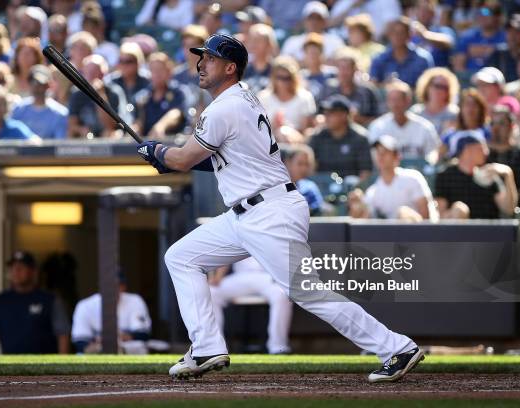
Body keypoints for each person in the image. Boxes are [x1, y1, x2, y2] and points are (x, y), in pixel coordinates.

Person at [136, 33, 424, 382]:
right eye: (202, 57)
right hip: (246, 213)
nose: (201, 63)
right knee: (182, 256)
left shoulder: (224, 107)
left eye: (210, 58)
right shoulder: (240, 101)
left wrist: (158, 152)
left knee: (308, 291)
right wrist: (171, 158)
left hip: (269, 212)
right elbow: (216, 160)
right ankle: (207, 346)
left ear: (230, 67)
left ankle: (396, 347)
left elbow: (183, 158)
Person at [0, 250, 71, 354]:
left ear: (33, 271)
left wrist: (63, 366)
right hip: (10, 367)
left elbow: (63, 334)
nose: (16, 271)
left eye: (21, 267)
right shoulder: (0, 301)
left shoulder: (50, 300)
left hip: (44, 367)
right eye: (13, 268)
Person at [209, 257, 293, 355]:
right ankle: (215, 349)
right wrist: (218, 277)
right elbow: (226, 256)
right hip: (241, 277)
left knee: (283, 293)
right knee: (210, 292)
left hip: (267, 276)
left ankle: (278, 347)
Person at [348, 135, 436, 222]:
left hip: (419, 233)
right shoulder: (373, 191)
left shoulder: (412, 178)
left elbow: (426, 215)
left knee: (403, 212)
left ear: (397, 156)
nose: (380, 156)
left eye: (385, 152)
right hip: (389, 234)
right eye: (378, 152)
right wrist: (358, 205)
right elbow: (364, 220)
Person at [435, 132, 518, 219]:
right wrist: (459, 213)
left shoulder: (488, 175)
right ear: (468, 150)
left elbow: (509, 209)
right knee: (459, 209)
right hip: (461, 231)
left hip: (488, 230)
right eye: (481, 148)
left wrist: (509, 175)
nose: (486, 152)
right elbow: (441, 215)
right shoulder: (445, 176)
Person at [72, 270, 152, 354]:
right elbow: (80, 341)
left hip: (127, 350)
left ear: (123, 287)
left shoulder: (135, 301)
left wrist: (116, 337)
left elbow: (143, 334)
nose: (112, 289)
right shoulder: (85, 305)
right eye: (108, 285)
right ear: (100, 286)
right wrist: (101, 342)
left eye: (117, 285)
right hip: (95, 349)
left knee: (137, 346)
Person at [368, 80, 440, 163]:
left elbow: (433, 154)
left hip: (418, 172)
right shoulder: (378, 127)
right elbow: (375, 158)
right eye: (392, 100)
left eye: (399, 100)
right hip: (389, 174)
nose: (395, 104)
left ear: (408, 101)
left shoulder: (424, 127)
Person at [308, 95, 372, 180]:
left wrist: (358, 189)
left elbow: (365, 171)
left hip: (350, 189)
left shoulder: (360, 138)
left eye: (331, 113)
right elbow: (310, 169)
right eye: (325, 113)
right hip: (322, 187)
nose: (326, 117)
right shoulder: (317, 137)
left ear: (344, 115)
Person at [488, 105, 520, 209]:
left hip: (518, 211)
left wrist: (514, 196)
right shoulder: (482, 154)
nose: (496, 128)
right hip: (487, 213)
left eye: (501, 123)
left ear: (511, 126)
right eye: (493, 123)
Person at [68, 54, 128, 138]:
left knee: (111, 133)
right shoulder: (77, 94)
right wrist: (82, 130)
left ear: (103, 74)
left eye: (94, 72)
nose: (90, 76)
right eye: (87, 72)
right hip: (85, 136)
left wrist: (100, 95)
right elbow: (72, 125)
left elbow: (110, 126)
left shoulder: (114, 92)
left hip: (108, 135)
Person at [319, 47, 381, 127]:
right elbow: (318, 114)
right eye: (341, 68)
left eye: (347, 68)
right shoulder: (328, 88)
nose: (344, 72)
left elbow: (378, 119)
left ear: (355, 69)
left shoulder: (367, 91)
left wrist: (358, 119)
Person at [257, 55, 316, 136]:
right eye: (279, 77)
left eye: (287, 78)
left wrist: (287, 129)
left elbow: (305, 130)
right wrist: (274, 126)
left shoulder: (305, 97)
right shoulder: (263, 97)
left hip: (297, 143)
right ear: (273, 78)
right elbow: (258, 128)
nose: (283, 82)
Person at [369, 16, 434, 87]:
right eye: (394, 33)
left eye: (402, 33)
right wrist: (386, 85)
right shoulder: (379, 59)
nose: (397, 36)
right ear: (389, 35)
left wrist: (404, 88)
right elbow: (373, 86)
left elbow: (427, 87)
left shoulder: (422, 59)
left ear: (409, 35)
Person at [134, 52, 186, 139]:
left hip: (173, 141)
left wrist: (161, 126)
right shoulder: (143, 96)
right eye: (153, 70)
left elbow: (176, 113)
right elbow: (138, 122)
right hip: (148, 143)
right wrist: (133, 131)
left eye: (160, 70)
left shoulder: (178, 92)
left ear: (169, 71)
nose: (157, 74)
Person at [11, 65, 68, 139]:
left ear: (48, 85)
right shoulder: (18, 109)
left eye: (41, 85)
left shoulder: (60, 113)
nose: (37, 88)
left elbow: (59, 142)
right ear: (29, 84)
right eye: (34, 84)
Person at [453, 1, 506, 74]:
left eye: (486, 12)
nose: (481, 16)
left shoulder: (505, 37)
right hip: (469, 80)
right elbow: (459, 66)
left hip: (495, 80)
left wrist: (484, 50)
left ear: (497, 17)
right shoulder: (468, 36)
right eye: (479, 12)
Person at [411, 67, 460, 136]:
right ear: (427, 86)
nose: (440, 91)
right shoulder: (415, 113)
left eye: (444, 88)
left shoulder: (454, 114)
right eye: (437, 86)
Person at [486, 14, 520, 83]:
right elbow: (489, 77)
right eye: (509, 31)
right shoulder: (498, 53)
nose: (512, 35)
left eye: (517, 31)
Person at [282, 144, 325, 216]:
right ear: (288, 163)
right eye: (300, 164)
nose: (304, 169)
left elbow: (317, 210)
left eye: (307, 164)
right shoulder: (276, 186)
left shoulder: (310, 187)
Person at [410, 0, 456, 68]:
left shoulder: (442, 30)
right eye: (420, 10)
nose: (423, 14)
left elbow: (448, 42)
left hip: (438, 73)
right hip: (416, 74)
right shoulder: (411, 35)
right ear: (416, 12)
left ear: (433, 14)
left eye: (426, 11)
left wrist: (425, 34)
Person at [105, 42, 150, 109]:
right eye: (121, 61)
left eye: (129, 61)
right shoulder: (110, 81)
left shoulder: (149, 81)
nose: (124, 65)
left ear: (138, 62)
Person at [300, 33, 337, 104]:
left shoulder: (333, 74)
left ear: (322, 54)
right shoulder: (300, 77)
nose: (312, 57)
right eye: (309, 53)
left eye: (315, 53)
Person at [243, 23, 278, 94]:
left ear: (269, 44)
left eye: (258, 40)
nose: (254, 44)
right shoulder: (242, 69)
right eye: (252, 40)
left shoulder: (277, 70)